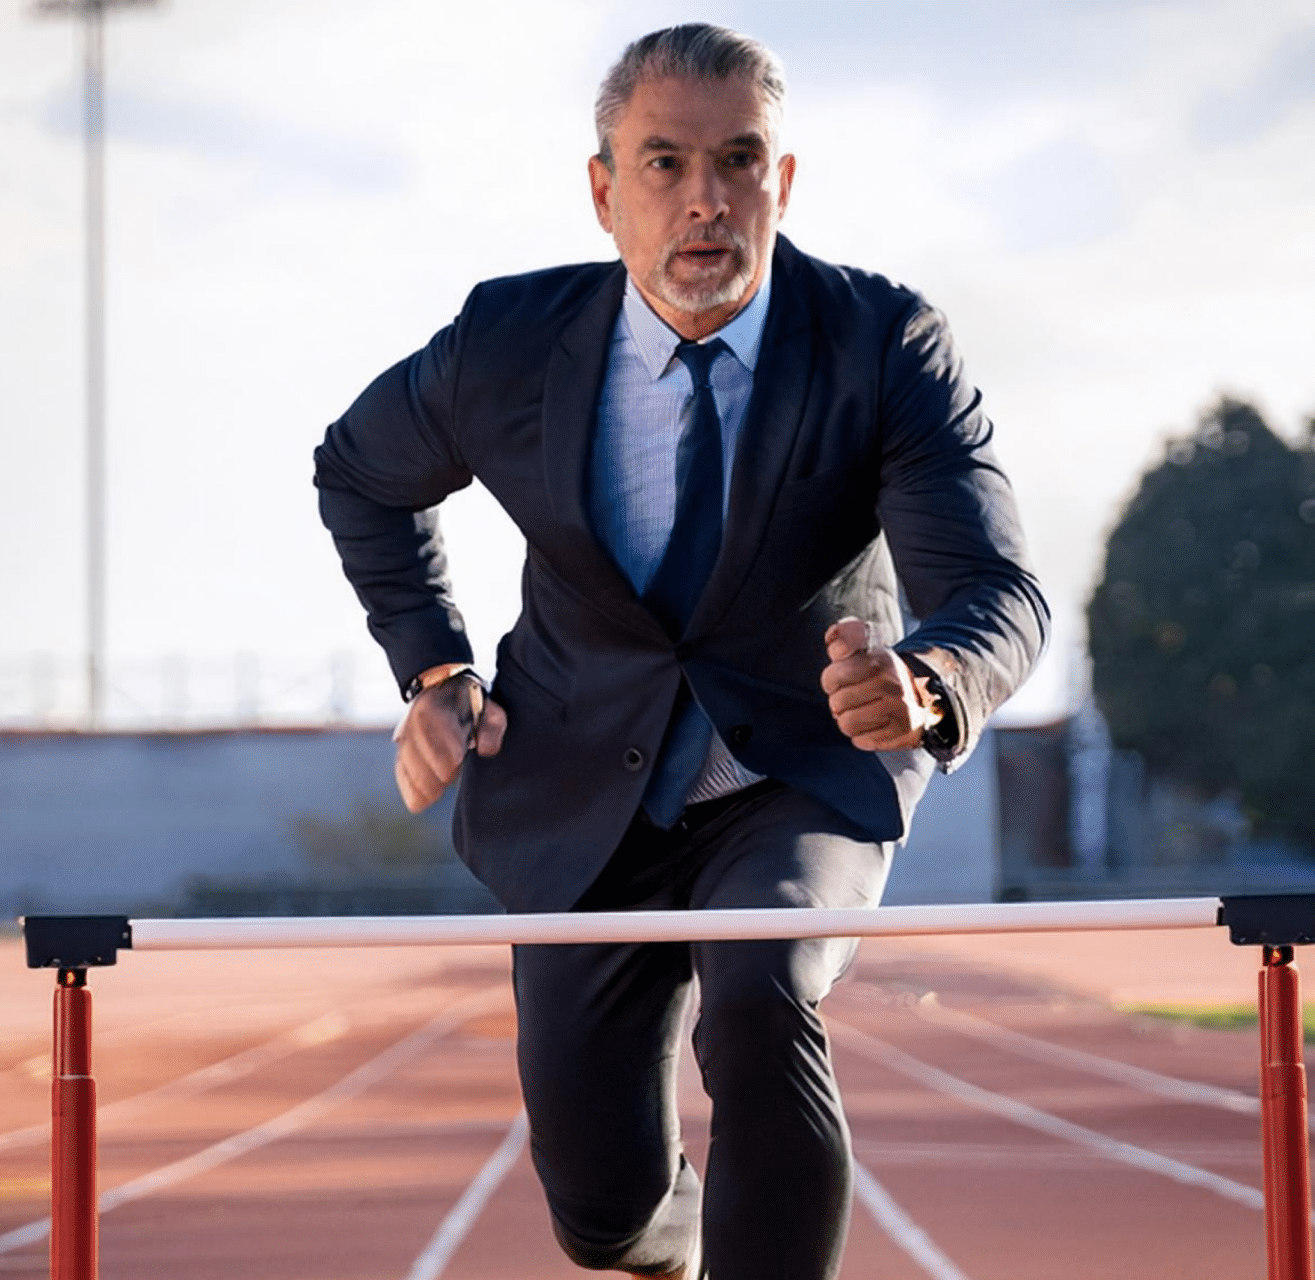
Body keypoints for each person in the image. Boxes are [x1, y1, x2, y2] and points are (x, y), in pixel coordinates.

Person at [311, 23, 1046, 1280]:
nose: (705, 199)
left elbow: (992, 588)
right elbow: (359, 475)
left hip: (796, 774)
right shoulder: (504, 344)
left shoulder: (883, 344)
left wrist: (923, 682)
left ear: (783, 180)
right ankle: (674, 1240)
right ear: (604, 191)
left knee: (763, 992)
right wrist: (432, 669)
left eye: (738, 161)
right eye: (664, 164)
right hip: (579, 774)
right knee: (601, 1207)